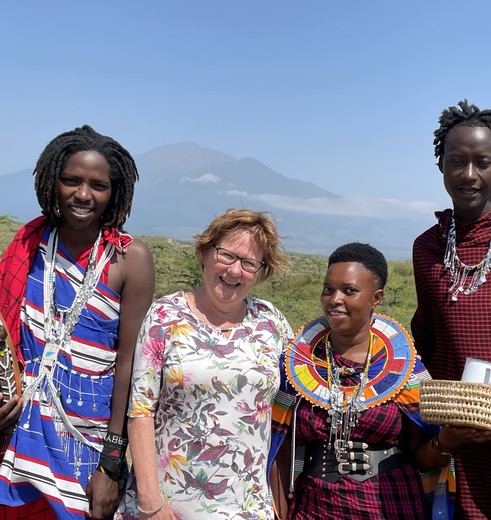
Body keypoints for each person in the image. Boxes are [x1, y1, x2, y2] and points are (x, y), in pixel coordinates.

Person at [0, 125, 155, 520]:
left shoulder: (129, 258)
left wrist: (112, 464)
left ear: (113, 192)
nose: (83, 195)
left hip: (85, 442)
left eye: (97, 185)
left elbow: (128, 365)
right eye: (71, 180)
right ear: (52, 182)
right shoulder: (30, 245)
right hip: (17, 434)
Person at [116, 208, 293, 520]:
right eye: (227, 255)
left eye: (249, 263)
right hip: (168, 505)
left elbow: (292, 405)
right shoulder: (165, 316)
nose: (235, 270)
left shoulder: (272, 323)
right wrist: (150, 502)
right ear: (206, 253)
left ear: (260, 270)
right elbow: (140, 411)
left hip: (248, 507)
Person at [271, 242, 456, 520]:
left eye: (349, 290)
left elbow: (421, 454)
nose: (334, 299)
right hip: (314, 506)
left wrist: (447, 441)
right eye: (328, 289)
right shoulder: (298, 362)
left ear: (376, 297)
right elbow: (280, 441)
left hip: (389, 505)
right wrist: (279, 503)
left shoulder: (402, 370)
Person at [412, 100, 491, 519]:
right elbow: (427, 336)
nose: (469, 175)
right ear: (441, 164)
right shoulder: (428, 247)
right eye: (457, 161)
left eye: (483, 162)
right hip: (460, 431)